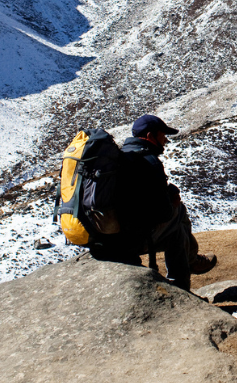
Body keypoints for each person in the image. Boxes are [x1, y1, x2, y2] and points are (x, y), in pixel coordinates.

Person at [88, 114, 216, 290]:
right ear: (150, 136)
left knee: (177, 219)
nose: (165, 141)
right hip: (131, 240)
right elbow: (164, 213)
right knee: (177, 224)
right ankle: (182, 286)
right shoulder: (148, 162)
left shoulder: (120, 157)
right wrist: (171, 199)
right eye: (163, 136)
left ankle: (191, 262)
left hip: (107, 238)